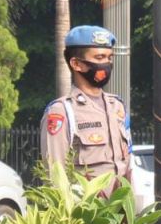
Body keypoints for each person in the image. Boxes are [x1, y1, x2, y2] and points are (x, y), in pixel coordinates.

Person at [39, 25, 131, 189]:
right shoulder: (62, 111)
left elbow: (127, 166)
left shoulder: (117, 106)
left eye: (110, 58)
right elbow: (55, 175)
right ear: (76, 64)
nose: (106, 64)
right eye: (99, 57)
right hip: (87, 211)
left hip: (121, 210)